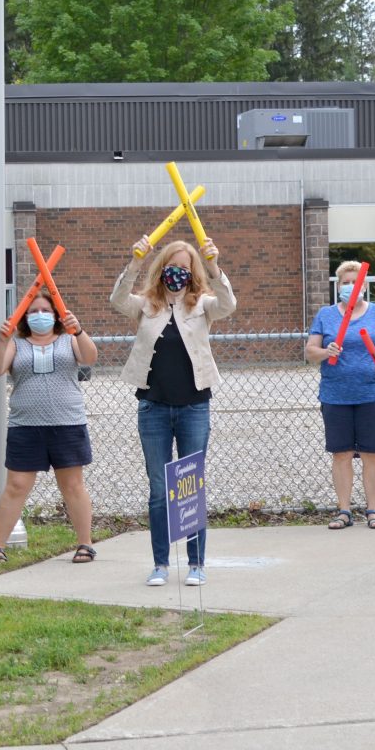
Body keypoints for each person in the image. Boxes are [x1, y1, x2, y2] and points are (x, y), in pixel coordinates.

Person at [112, 237, 236, 587]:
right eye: (171, 267)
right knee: (158, 488)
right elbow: (117, 299)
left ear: (192, 271)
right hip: (153, 407)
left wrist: (214, 266)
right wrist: (135, 261)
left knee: (190, 485)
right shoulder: (146, 305)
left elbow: (228, 303)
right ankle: (161, 564)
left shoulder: (203, 305)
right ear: (161, 269)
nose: (176, 274)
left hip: (194, 406)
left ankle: (196, 563)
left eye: (184, 267)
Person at [0, 291, 99, 563]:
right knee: (16, 486)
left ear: (56, 315)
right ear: (24, 317)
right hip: (26, 426)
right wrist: (1, 341)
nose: (39, 316)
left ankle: (85, 543)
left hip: (67, 423)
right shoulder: (17, 343)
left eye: (45, 310)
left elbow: (90, 357)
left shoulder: (69, 340)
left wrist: (79, 330)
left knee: (73, 486)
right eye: (33, 312)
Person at [304, 261, 375, 529]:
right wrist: (326, 352)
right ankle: (344, 511)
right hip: (335, 395)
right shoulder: (326, 315)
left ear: (364, 286)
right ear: (338, 286)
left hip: (371, 393)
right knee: (341, 454)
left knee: (372, 453)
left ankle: (373, 510)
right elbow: (310, 351)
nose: (350, 287)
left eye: (354, 282)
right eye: (345, 283)